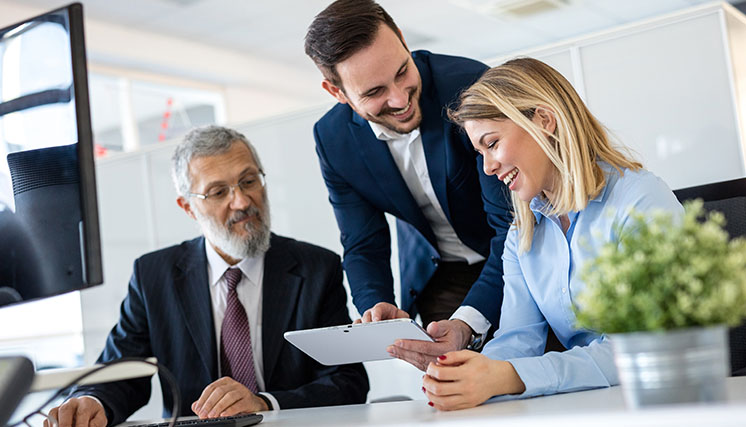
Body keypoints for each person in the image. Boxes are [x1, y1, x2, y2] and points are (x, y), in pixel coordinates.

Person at [46, 126, 369, 426]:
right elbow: (122, 373)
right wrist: (92, 402)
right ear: (187, 207)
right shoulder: (153, 275)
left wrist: (265, 403)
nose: (241, 201)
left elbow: (346, 381)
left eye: (249, 181)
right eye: (217, 192)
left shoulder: (316, 267)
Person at [422, 58, 684, 410]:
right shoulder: (522, 236)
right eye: (480, 153)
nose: (487, 167)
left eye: (493, 143)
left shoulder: (639, 201)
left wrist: (508, 377)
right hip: (590, 405)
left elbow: (639, 349)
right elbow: (517, 340)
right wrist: (466, 373)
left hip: (662, 403)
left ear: (544, 121)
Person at [304, 0, 514, 370]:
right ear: (337, 92)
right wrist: (376, 307)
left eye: (402, 71)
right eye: (374, 92)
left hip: (514, 258)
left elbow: (509, 227)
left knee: (528, 375)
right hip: (439, 277)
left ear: (401, 39)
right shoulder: (333, 139)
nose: (400, 99)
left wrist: (471, 321)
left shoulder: (471, 86)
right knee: (454, 395)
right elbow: (363, 243)